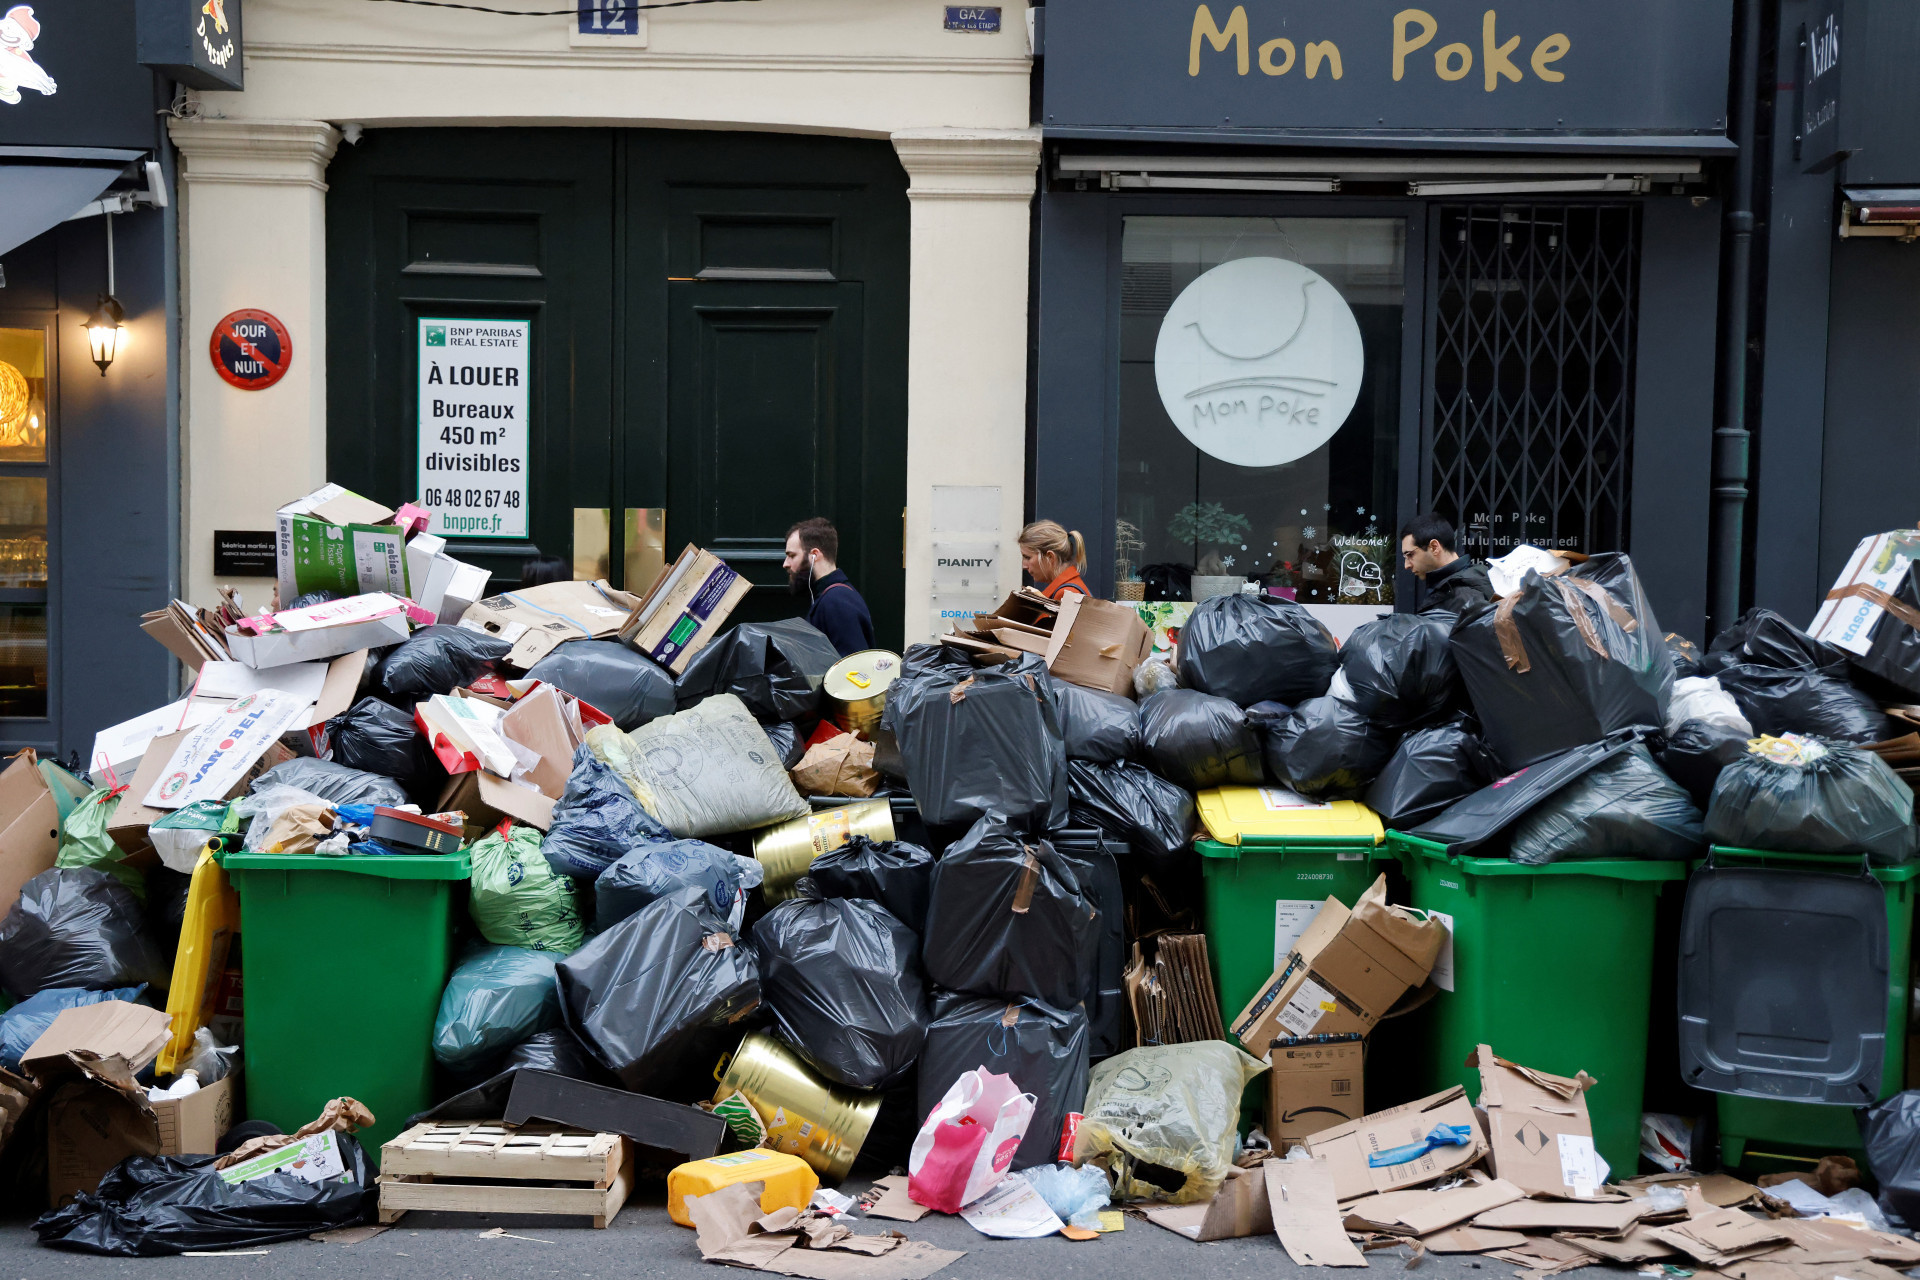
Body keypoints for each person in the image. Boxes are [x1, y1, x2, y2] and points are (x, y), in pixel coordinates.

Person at [784, 517, 874, 657]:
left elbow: (853, 670)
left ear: (814, 555)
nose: (786, 564)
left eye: (792, 555)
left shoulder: (836, 601)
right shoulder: (833, 597)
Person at [1400, 513, 1494, 614]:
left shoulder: (1464, 596)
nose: (1407, 565)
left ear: (1434, 547)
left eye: (1410, 555)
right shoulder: (1451, 586)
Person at [1019, 520, 1092, 602]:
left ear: (1050, 557)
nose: (1024, 566)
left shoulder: (1066, 594)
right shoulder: (1068, 590)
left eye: (1028, 557)